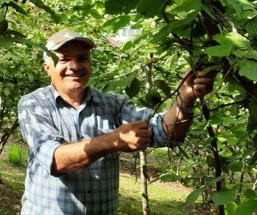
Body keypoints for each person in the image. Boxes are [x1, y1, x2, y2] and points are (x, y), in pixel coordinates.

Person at [17, 28, 216, 215]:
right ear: (47, 68)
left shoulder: (114, 104)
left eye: (82, 59)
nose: (75, 66)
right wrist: (113, 140)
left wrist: (185, 97)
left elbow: (166, 133)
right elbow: (54, 160)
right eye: (64, 59)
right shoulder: (33, 104)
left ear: (90, 64)